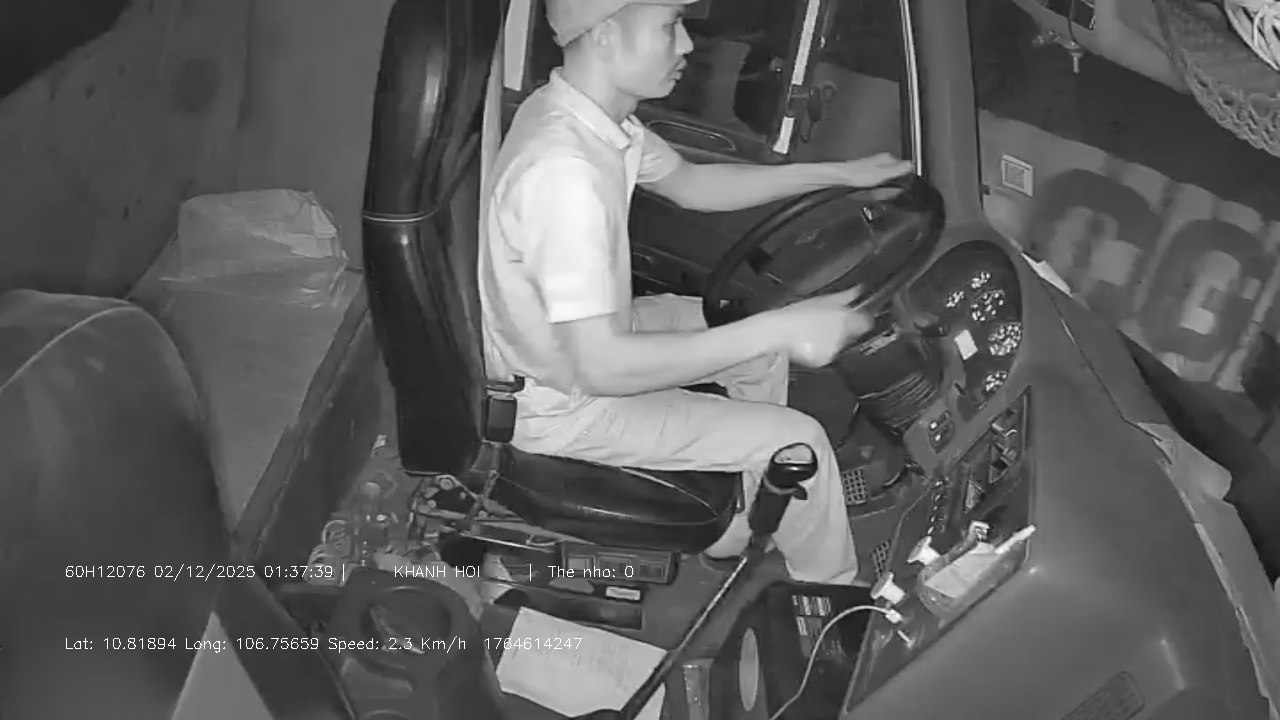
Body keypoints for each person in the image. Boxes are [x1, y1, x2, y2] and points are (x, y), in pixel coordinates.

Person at [478, 0, 913, 584]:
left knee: (756, 344)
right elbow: (601, 368)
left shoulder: (588, 118)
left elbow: (693, 184)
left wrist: (838, 175)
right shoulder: (564, 174)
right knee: (799, 441)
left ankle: (751, 514)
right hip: (562, 401)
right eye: (668, 26)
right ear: (604, 34)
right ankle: (832, 596)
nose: (685, 44)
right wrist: (781, 326)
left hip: (579, 342)